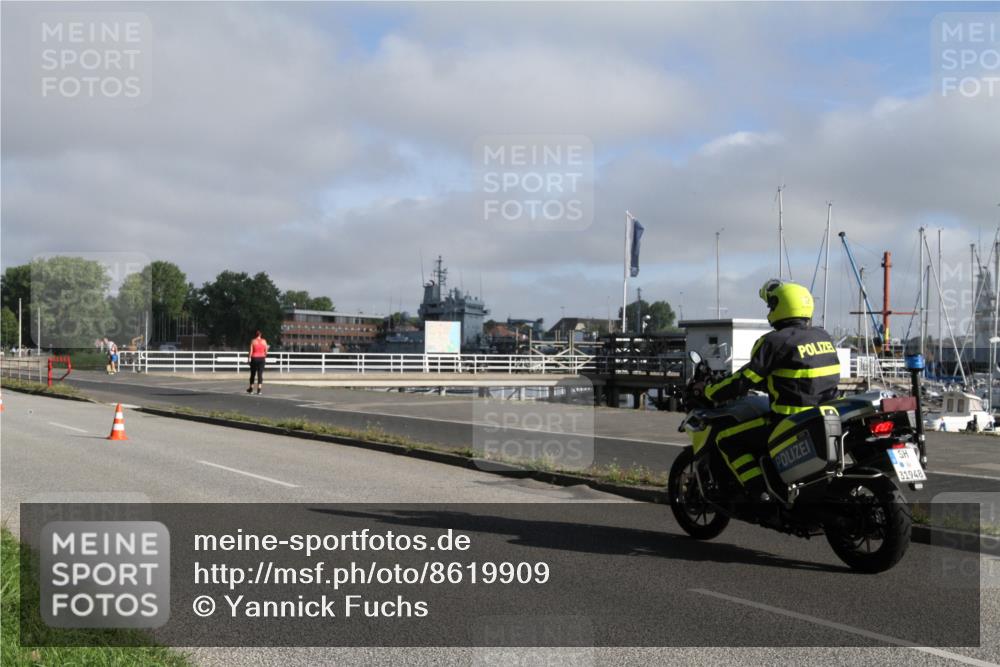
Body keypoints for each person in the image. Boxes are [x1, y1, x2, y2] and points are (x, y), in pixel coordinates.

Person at [702, 279, 841, 504]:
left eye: (770, 305)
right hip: (824, 416)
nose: (769, 311)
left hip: (788, 421)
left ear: (779, 306)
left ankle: (759, 494)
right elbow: (799, 377)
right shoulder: (823, 337)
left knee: (726, 439)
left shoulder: (773, 342)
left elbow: (744, 380)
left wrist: (711, 392)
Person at [247, 330, 268, 395]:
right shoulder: (264, 341)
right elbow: (266, 352)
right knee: (260, 374)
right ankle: (259, 390)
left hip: (254, 358)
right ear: (260, 335)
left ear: (255, 335)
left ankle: (251, 389)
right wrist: (264, 356)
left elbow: (251, 351)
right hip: (262, 358)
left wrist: (248, 359)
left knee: (252, 374)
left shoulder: (253, 341)